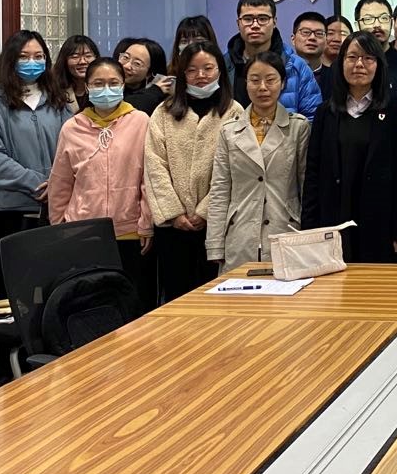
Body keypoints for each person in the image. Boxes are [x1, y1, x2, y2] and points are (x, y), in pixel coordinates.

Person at [46, 57, 156, 310]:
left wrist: (146, 223)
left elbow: (148, 178)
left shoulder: (141, 121)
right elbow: (61, 182)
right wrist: (61, 227)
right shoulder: (72, 128)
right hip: (84, 231)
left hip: (129, 231)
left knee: (131, 304)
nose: (106, 89)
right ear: (87, 86)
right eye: (98, 83)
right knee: (91, 305)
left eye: (113, 83)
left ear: (123, 85)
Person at [303, 32, 397, 261]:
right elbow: (313, 173)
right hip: (333, 215)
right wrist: (310, 226)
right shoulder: (325, 113)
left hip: (380, 219)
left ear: (379, 65)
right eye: (352, 57)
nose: (359, 64)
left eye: (368, 58)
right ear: (341, 63)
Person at [144, 41, 240, 301]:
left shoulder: (234, 112)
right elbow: (154, 165)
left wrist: (205, 212)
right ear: (182, 74)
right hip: (172, 228)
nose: (201, 76)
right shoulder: (163, 112)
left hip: (216, 224)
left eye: (208, 68)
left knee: (215, 297)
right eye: (192, 70)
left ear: (220, 70)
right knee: (177, 297)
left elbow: (236, 170)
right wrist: (174, 213)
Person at [0, 30, 69, 290]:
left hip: (56, 208)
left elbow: (75, 149)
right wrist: (38, 183)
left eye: (38, 56)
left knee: (55, 286)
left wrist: (58, 184)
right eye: (24, 56)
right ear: (10, 60)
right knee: (17, 288)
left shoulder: (58, 101)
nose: (32, 62)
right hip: (13, 210)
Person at [206, 49, 310, 270]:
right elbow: (220, 190)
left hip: (286, 229)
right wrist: (215, 244)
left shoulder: (298, 128)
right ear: (246, 84)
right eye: (255, 80)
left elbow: (306, 186)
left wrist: (309, 237)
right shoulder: (229, 131)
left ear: (283, 83)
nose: (263, 87)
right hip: (240, 233)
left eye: (270, 80)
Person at [225, 0, 323, 120]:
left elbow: (313, 119)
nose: (255, 25)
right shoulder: (223, 65)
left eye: (263, 19)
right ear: (238, 23)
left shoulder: (297, 67)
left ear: (274, 22)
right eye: (248, 19)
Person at [113, 37, 168, 115]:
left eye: (137, 63)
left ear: (149, 73)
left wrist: (155, 91)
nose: (127, 66)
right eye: (125, 57)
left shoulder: (157, 95)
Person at [54, 34, 99, 112]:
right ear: (64, 60)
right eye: (75, 57)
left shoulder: (103, 90)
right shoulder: (53, 90)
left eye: (88, 56)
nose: (82, 61)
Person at [290, 10, 328, 75]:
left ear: (326, 41)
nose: (312, 38)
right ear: (293, 39)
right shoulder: (281, 74)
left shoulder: (335, 76)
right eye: (306, 32)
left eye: (319, 33)